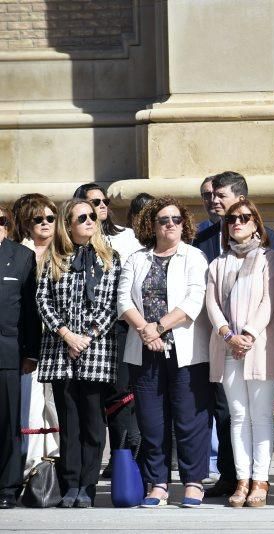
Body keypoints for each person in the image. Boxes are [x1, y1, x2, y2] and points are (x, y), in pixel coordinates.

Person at [118, 196, 212, 508]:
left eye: (175, 219)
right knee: (151, 422)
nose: (170, 224)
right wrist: (146, 331)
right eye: (163, 220)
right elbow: (123, 301)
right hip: (144, 351)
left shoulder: (194, 257)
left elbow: (194, 299)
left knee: (189, 420)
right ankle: (156, 483)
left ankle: (193, 482)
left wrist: (158, 327)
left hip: (185, 351)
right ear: (152, 225)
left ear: (183, 224)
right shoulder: (136, 258)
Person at [192, 171, 274, 499]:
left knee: (260, 414)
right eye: (232, 220)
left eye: (244, 217)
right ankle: (240, 479)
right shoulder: (216, 261)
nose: (237, 222)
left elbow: (271, 300)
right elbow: (211, 301)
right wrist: (228, 334)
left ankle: (260, 480)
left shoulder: (270, 256)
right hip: (226, 346)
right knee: (237, 415)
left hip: (258, 346)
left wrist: (249, 334)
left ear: (256, 222)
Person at [36, 199, 120, 508]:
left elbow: (112, 304)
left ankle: (88, 485)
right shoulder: (55, 259)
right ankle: (69, 484)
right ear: (68, 225)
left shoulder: (109, 259)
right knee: (69, 424)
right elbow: (42, 300)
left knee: (93, 424)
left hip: (95, 349)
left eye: (92, 216)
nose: (89, 220)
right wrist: (66, 334)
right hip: (61, 350)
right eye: (81, 217)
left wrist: (86, 336)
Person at [74, 183, 142, 467]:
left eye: (103, 201)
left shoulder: (126, 238)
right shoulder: (72, 247)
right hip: (82, 337)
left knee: (121, 401)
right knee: (89, 404)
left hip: (118, 328)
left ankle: (123, 461)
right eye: (93, 203)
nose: (101, 207)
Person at [14, 196, 60, 472]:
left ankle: (55, 462)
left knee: (55, 406)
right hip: (28, 344)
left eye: (50, 218)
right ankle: (30, 467)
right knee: (31, 407)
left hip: (59, 343)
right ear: (25, 223)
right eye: (38, 219)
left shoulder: (64, 252)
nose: (45, 224)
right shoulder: (17, 254)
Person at [0, 205, 40, 509]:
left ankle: (7, 486)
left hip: (7, 353)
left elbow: (30, 311)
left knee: (7, 421)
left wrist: (31, 353)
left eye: (0, 220)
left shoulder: (21, 257)